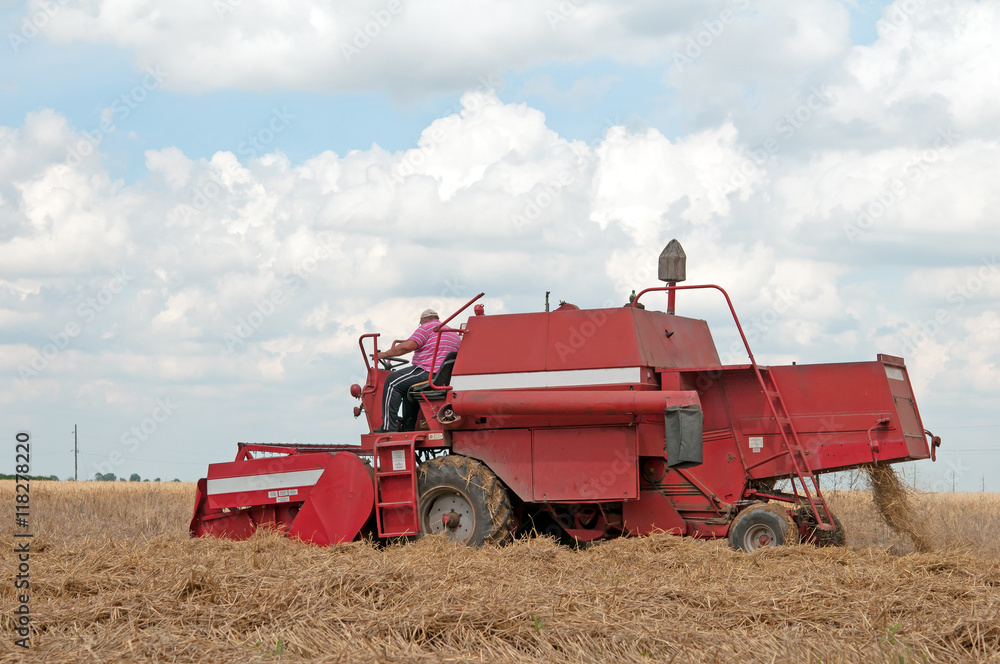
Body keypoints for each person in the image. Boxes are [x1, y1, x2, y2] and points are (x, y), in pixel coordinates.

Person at [374, 308, 461, 432]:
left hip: (428, 372)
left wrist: (384, 354)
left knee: (392, 382)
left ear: (423, 320)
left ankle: (388, 427)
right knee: (407, 387)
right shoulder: (453, 332)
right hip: (444, 377)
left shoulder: (427, 328)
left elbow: (406, 347)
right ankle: (407, 428)